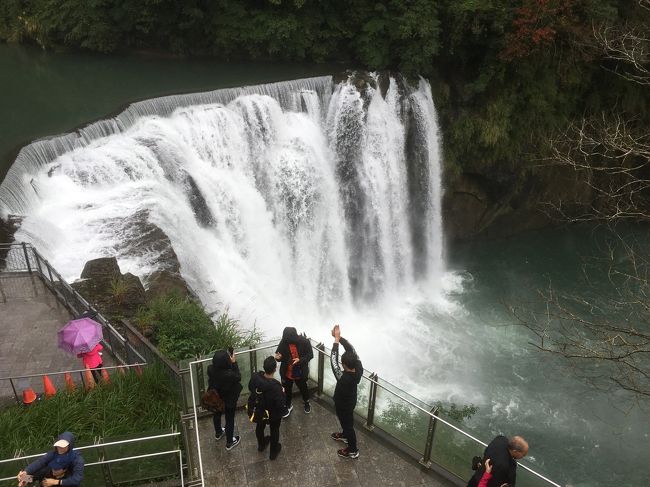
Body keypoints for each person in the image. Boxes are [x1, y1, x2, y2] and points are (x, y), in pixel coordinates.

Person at [329, 324, 363, 459]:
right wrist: (339, 338)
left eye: (342, 363)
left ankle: (353, 450)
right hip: (350, 400)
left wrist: (336, 341)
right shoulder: (358, 367)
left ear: (344, 365)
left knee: (348, 426)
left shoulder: (344, 378)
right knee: (346, 424)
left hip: (344, 405)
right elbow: (352, 349)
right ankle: (344, 435)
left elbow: (333, 361)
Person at [248, 356, 289, 460]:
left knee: (260, 426)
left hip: (259, 410)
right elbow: (280, 404)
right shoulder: (276, 387)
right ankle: (273, 453)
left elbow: (250, 388)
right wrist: (283, 392)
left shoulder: (255, 377)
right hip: (273, 414)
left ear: (264, 367)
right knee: (274, 430)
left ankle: (261, 445)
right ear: (275, 369)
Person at [17, 431, 84, 486]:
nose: (54, 470)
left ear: (65, 470)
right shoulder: (50, 465)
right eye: (58, 446)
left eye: (63, 446)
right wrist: (24, 477)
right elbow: (40, 463)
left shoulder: (77, 461)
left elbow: (76, 480)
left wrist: (55, 482)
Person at [207, 348, 242, 450]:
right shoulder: (229, 375)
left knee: (216, 414)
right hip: (229, 400)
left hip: (216, 398)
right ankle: (229, 442)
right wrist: (234, 363)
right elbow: (238, 376)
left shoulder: (210, 369)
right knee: (229, 419)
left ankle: (218, 433)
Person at [274, 326, 313, 415]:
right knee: (287, 390)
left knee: (303, 388)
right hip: (287, 372)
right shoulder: (284, 342)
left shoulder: (304, 341)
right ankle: (288, 405)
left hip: (300, 371)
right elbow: (279, 354)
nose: (286, 340)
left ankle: (306, 402)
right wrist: (277, 358)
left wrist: (300, 360)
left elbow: (310, 355)